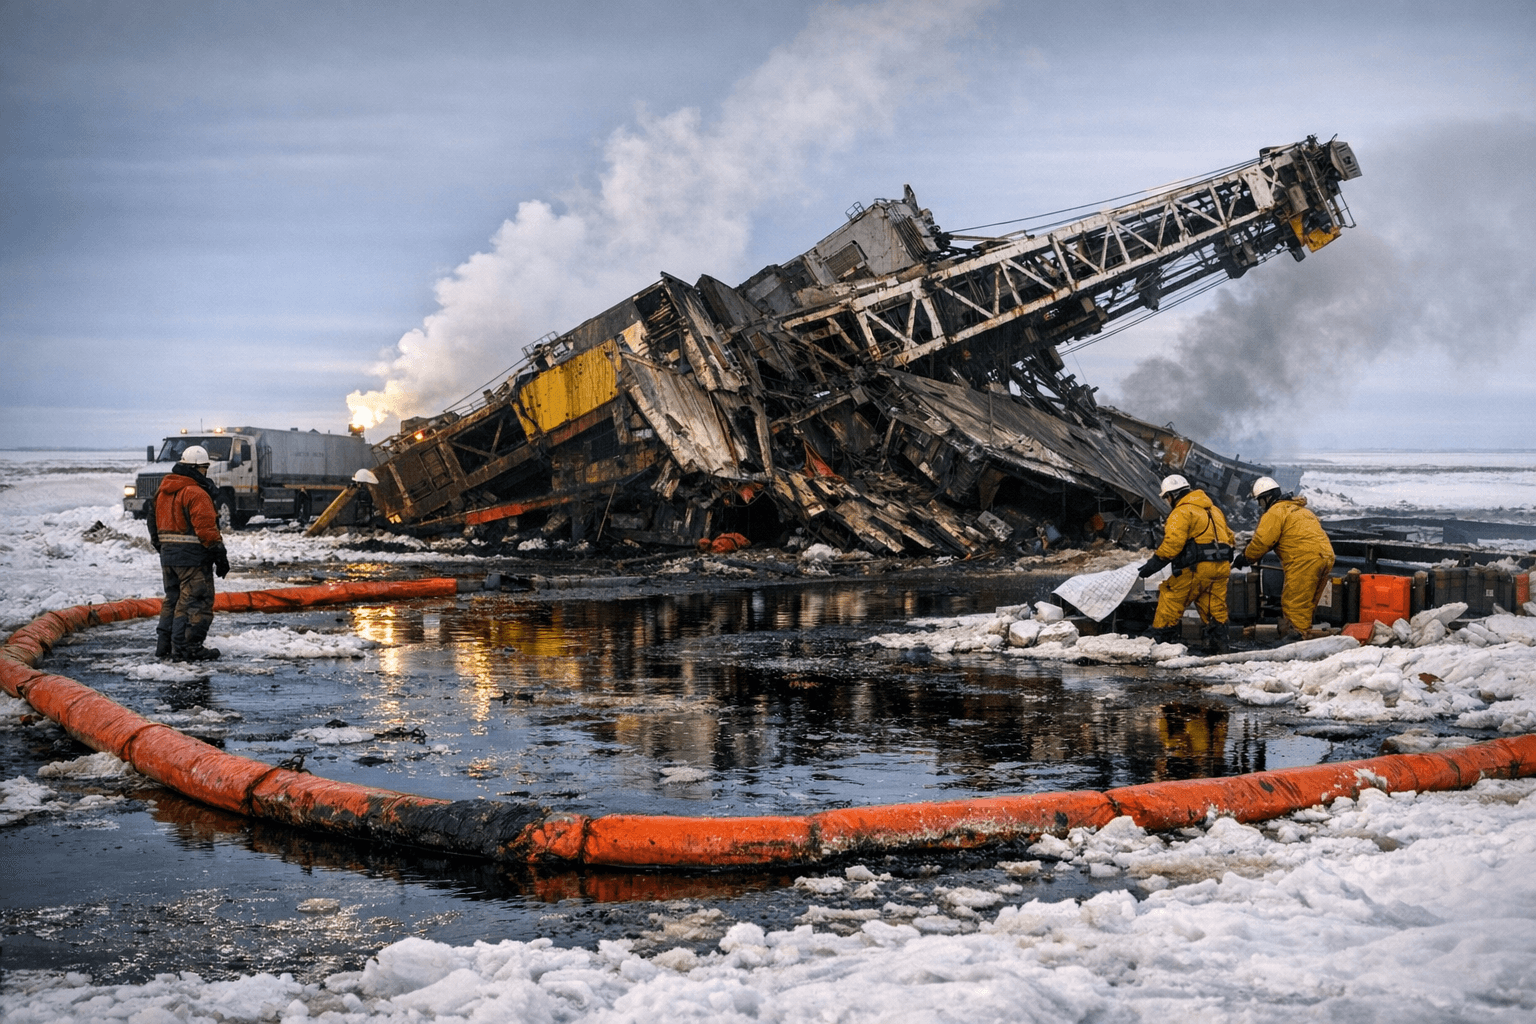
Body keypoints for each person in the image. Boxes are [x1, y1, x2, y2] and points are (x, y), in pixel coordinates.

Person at [1138, 474, 1235, 653]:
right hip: (1221, 567)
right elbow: (1230, 538)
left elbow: (1173, 544)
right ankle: (1220, 646)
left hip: (1196, 568)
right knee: (1213, 605)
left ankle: (1160, 640)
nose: (1167, 501)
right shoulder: (1214, 510)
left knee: (1170, 596)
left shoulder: (1182, 512)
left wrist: (1153, 565)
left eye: (1167, 497)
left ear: (1173, 495)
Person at [151, 445, 230, 661]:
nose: (206, 472)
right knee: (196, 601)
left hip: (169, 557)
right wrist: (220, 556)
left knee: (173, 600)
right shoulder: (196, 492)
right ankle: (188, 648)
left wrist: (163, 548)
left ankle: (165, 646)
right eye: (204, 468)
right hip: (193, 559)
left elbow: (152, 523)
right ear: (197, 468)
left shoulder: (163, 491)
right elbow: (206, 529)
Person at [1232, 476, 1334, 640]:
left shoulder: (1275, 512)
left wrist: (1245, 557)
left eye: (1261, 501)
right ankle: (1303, 635)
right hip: (1326, 556)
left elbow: (1262, 541)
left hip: (1304, 559)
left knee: (1293, 602)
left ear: (1267, 498)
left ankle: (1295, 638)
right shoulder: (1300, 510)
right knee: (1306, 603)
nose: (1260, 505)